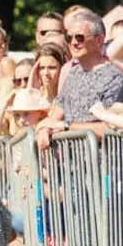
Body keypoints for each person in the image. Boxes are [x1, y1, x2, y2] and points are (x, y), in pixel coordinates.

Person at [35, 11, 123, 149]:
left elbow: (111, 127)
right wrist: (45, 129)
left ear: (99, 40)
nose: (73, 43)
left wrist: (66, 126)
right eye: (69, 38)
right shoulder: (72, 73)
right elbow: (56, 115)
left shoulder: (115, 75)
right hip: (69, 166)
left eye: (80, 38)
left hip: (103, 165)